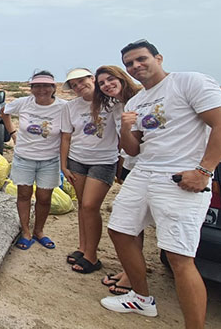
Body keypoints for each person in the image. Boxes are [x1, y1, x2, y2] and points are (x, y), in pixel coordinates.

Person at [101, 39, 221, 327]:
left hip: (179, 177)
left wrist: (204, 171)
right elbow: (134, 149)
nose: (136, 66)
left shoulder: (189, 82)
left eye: (141, 59)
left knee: (179, 257)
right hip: (144, 172)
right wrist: (125, 127)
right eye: (129, 64)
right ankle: (141, 298)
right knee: (120, 232)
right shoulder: (136, 101)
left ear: (158, 58)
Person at [60, 68, 121, 274]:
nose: (78, 86)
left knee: (90, 206)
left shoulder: (112, 103)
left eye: (81, 81)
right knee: (82, 207)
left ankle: (92, 257)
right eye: (74, 85)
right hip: (78, 160)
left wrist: (122, 163)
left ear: (92, 79)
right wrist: (63, 165)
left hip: (103, 161)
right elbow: (66, 137)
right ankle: (83, 248)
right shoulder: (70, 107)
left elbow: (122, 134)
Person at [0, 71, 66, 250]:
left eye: (46, 85)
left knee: (44, 198)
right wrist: (13, 133)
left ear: (54, 87)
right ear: (31, 88)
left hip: (50, 159)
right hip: (24, 157)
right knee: (23, 195)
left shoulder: (63, 107)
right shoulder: (24, 103)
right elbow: (4, 112)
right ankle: (26, 232)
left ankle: (39, 231)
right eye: (36, 86)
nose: (41, 89)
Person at [91, 65, 143, 295]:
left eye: (110, 79)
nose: (107, 85)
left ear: (122, 78)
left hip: (148, 166)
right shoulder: (115, 106)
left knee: (132, 223)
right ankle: (130, 271)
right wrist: (120, 167)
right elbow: (122, 141)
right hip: (131, 164)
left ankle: (133, 278)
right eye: (102, 83)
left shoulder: (141, 99)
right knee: (133, 225)